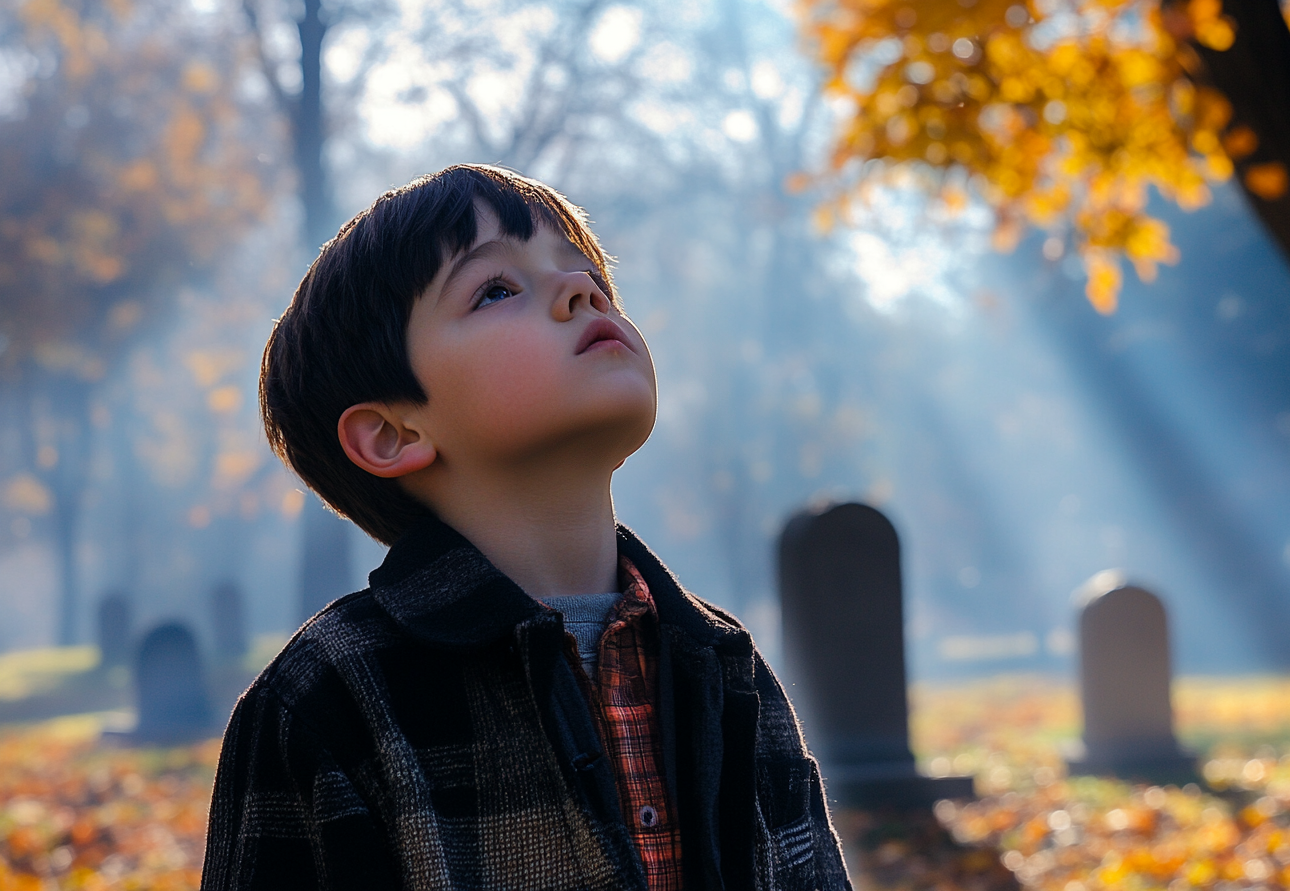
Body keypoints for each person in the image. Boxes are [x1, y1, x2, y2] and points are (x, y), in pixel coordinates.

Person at [201, 164, 852, 891]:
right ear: (393, 434)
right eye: (498, 290)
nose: (583, 291)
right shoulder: (325, 700)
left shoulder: (727, 666)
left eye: (583, 271)